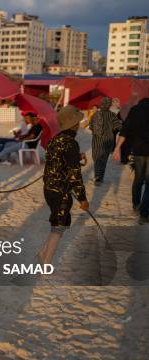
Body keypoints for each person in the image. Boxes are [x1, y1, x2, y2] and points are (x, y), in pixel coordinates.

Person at [39, 106, 89, 264]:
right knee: (58, 228)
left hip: (48, 189)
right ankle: (46, 264)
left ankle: (42, 254)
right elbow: (75, 175)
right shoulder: (71, 143)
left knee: (56, 224)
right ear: (74, 125)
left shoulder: (56, 138)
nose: (79, 125)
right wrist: (83, 199)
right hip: (61, 192)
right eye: (78, 122)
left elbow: (57, 160)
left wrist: (77, 157)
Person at [114, 98, 149, 224]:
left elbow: (125, 129)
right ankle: (144, 214)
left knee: (139, 179)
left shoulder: (135, 110)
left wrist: (117, 148)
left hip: (138, 150)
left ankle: (136, 205)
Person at [89, 97, 122, 185]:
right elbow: (118, 127)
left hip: (96, 140)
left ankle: (97, 177)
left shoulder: (96, 114)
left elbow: (91, 127)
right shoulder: (112, 115)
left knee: (96, 159)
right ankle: (100, 178)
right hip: (108, 140)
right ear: (109, 105)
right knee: (103, 159)